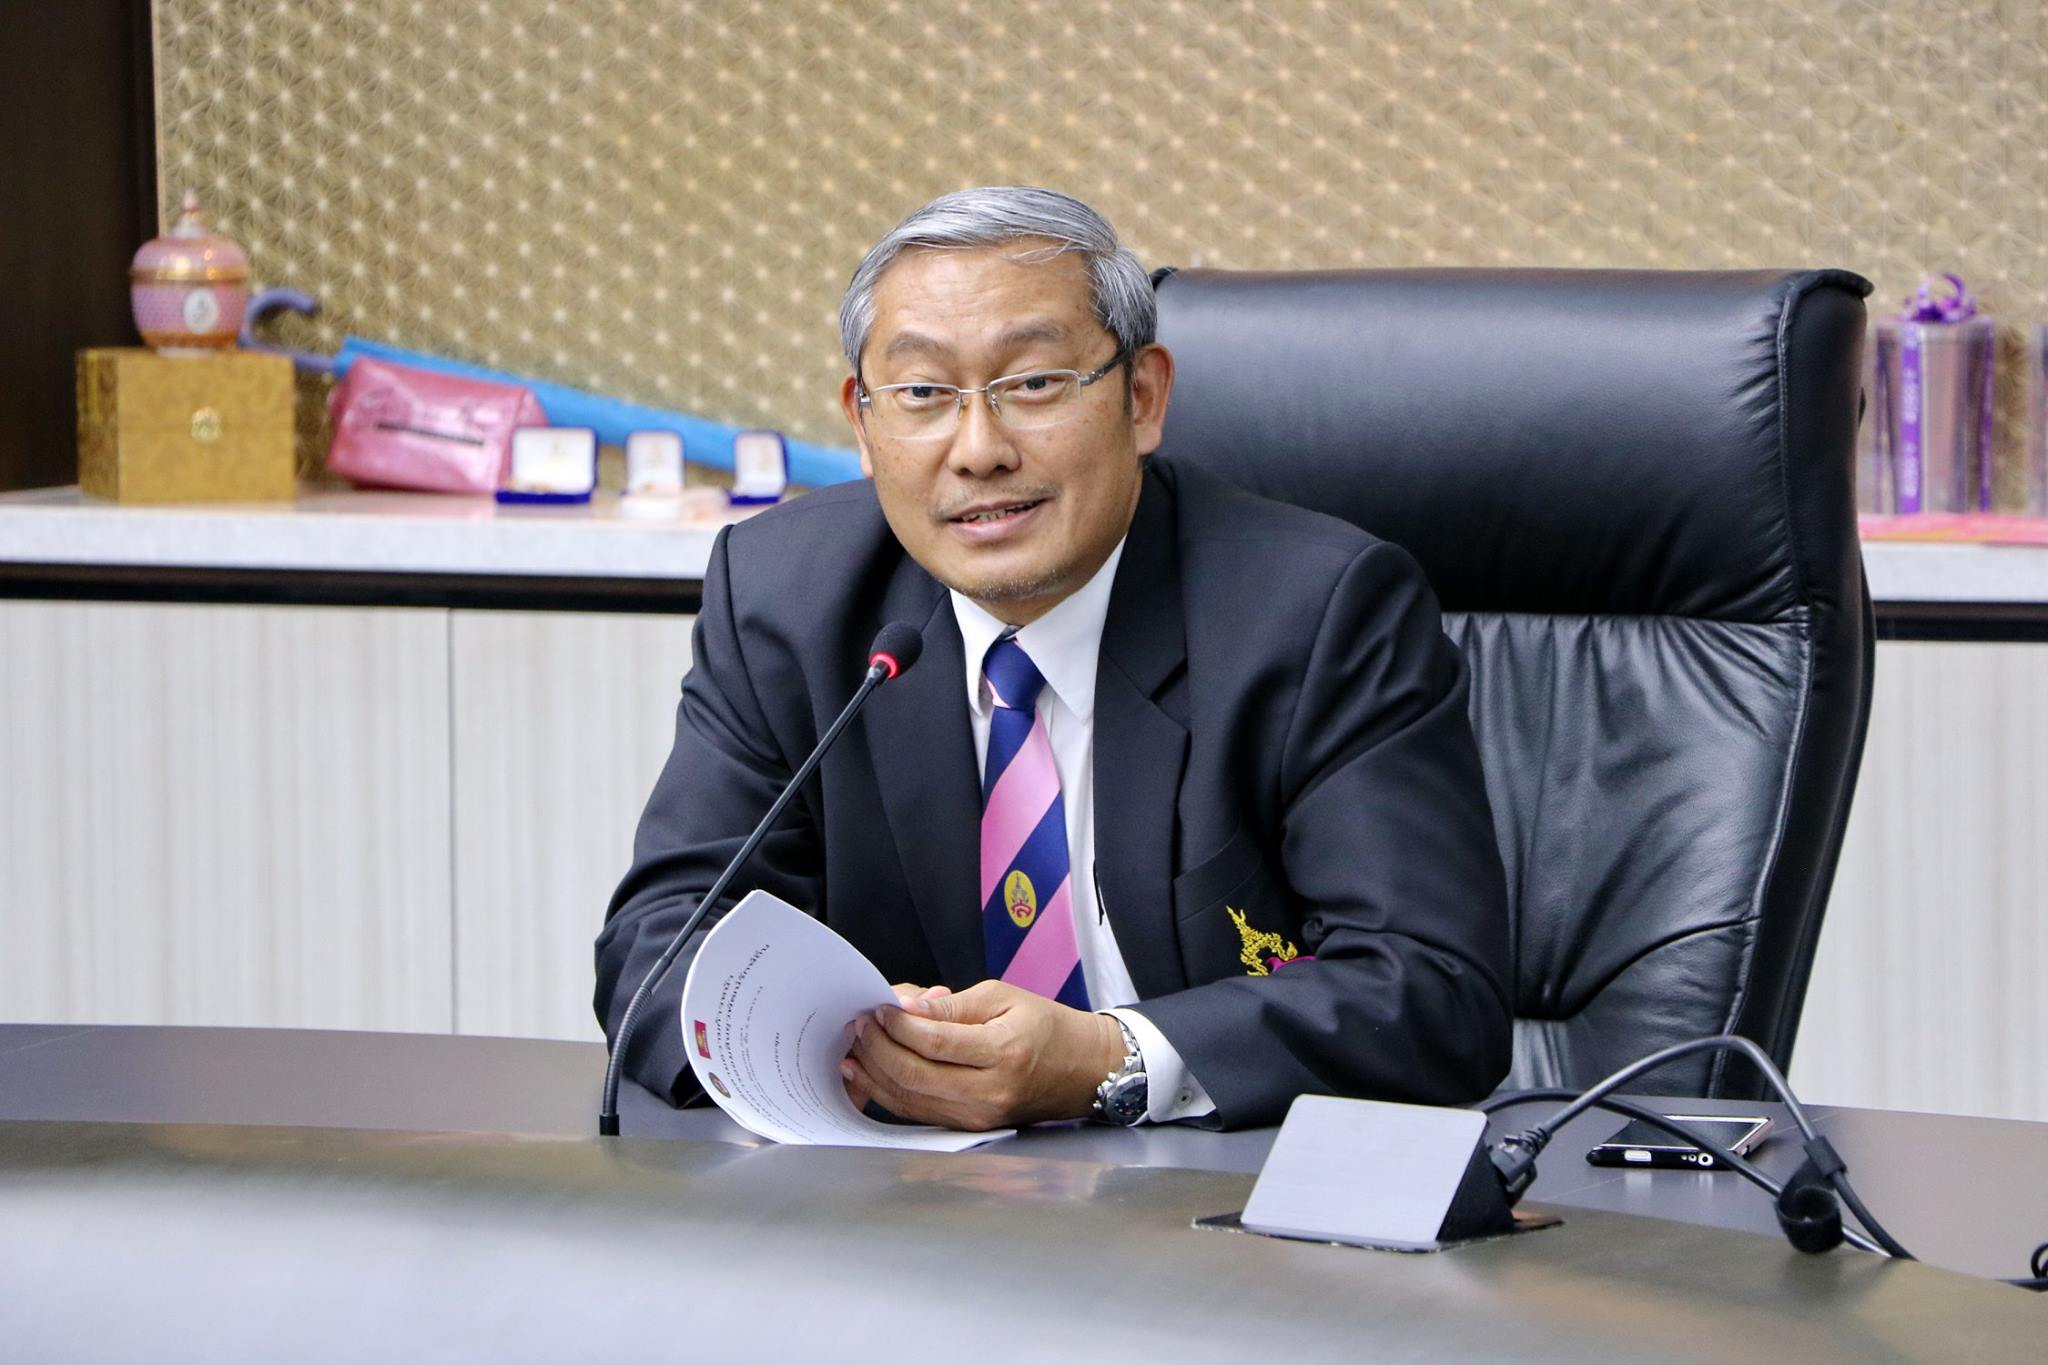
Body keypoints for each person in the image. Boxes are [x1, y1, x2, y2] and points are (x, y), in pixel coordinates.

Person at [596, 186, 1511, 1131]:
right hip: (896, 1194)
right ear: (862, 426)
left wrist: (1109, 1059)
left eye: (1033, 383)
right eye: (922, 395)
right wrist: (851, 1047)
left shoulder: (1318, 615)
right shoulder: (787, 600)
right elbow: (660, 948)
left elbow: (1430, 989)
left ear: (1142, 398)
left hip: (1218, 1197)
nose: (979, 450)